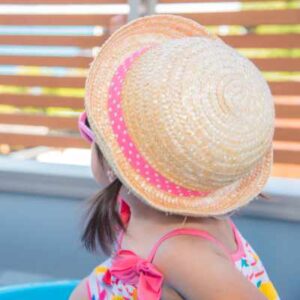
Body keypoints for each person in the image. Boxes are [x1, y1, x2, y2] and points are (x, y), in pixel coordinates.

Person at [70, 14, 280, 300]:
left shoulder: (187, 255)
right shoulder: (133, 205)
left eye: (89, 127)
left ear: (113, 163)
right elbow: (118, 274)